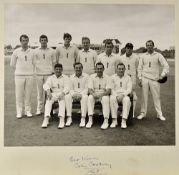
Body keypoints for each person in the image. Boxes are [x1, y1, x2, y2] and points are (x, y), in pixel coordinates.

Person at [137, 40, 169, 121]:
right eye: (147, 45)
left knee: (156, 97)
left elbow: (166, 66)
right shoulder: (143, 56)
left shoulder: (158, 55)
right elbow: (139, 68)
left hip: (155, 80)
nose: (149, 46)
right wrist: (140, 78)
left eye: (150, 45)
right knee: (144, 97)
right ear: (146, 46)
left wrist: (162, 75)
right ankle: (142, 113)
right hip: (144, 78)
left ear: (153, 46)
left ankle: (159, 114)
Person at [10, 34, 35, 118]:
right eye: (23, 40)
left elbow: (34, 63)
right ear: (20, 41)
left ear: (28, 41)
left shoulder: (32, 51)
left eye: (26, 40)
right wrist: (19, 71)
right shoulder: (16, 51)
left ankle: (28, 111)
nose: (25, 42)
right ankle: (19, 112)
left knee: (28, 94)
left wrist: (29, 71)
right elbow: (12, 64)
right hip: (19, 76)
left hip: (30, 76)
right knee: (19, 94)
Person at [34, 35, 56, 115]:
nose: (43, 41)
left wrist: (53, 72)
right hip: (39, 74)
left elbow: (54, 63)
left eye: (45, 40)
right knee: (40, 93)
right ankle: (39, 109)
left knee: (49, 93)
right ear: (40, 41)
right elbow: (33, 63)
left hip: (49, 74)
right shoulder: (35, 51)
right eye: (42, 40)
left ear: (47, 41)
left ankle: (50, 109)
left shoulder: (52, 51)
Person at [41, 63, 69, 129]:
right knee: (48, 99)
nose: (58, 71)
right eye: (57, 69)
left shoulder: (65, 77)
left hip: (62, 94)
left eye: (59, 69)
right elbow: (46, 85)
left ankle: (61, 120)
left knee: (62, 100)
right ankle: (46, 119)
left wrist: (63, 93)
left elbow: (67, 87)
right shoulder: (51, 77)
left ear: (62, 70)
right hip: (53, 94)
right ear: (54, 70)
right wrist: (48, 91)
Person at [87, 62, 111, 129]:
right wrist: (93, 94)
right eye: (98, 69)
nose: (99, 70)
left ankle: (106, 121)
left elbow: (109, 90)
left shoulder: (107, 77)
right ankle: (90, 120)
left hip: (103, 94)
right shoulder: (91, 77)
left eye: (101, 69)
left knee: (106, 99)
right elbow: (90, 89)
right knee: (90, 98)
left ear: (103, 69)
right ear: (95, 69)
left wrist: (101, 95)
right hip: (95, 94)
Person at [65, 62, 89, 127]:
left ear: (82, 68)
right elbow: (70, 89)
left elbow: (87, 88)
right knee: (67, 97)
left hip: (82, 94)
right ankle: (69, 118)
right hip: (74, 94)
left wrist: (80, 94)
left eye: (79, 68)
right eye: (76, 68)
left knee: (85, 97)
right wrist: (73, 95)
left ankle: (83, 118)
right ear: (74, 69)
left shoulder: (86, 76)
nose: (78, 69)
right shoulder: (71, 77)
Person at [110, 63, 132, 129]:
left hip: (124, 95)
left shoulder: (128, 77)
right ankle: (114, 120)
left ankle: (123, 121)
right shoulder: (112, 77)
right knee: (112, 98)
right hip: (115, 95)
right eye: (119, 69)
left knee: (127, 100)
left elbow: (129, 89)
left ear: (125, 69)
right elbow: (111, 89)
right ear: (116, 69)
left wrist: (123, 95)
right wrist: (116, 96)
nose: (121, 70)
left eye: (122, 69)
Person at [119, 43, 139, 118]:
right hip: (124, 78)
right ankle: (123, 112)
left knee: (132, 95)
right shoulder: (121, 58)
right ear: (125, 48)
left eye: (131, 48)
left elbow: (137, 69)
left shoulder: (136, 58)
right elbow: (119, 68)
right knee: (123, 93)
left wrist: (138, 78)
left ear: (132, 49)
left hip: (132, 78)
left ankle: (132, 112)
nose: (129, 49)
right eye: (128, 48)